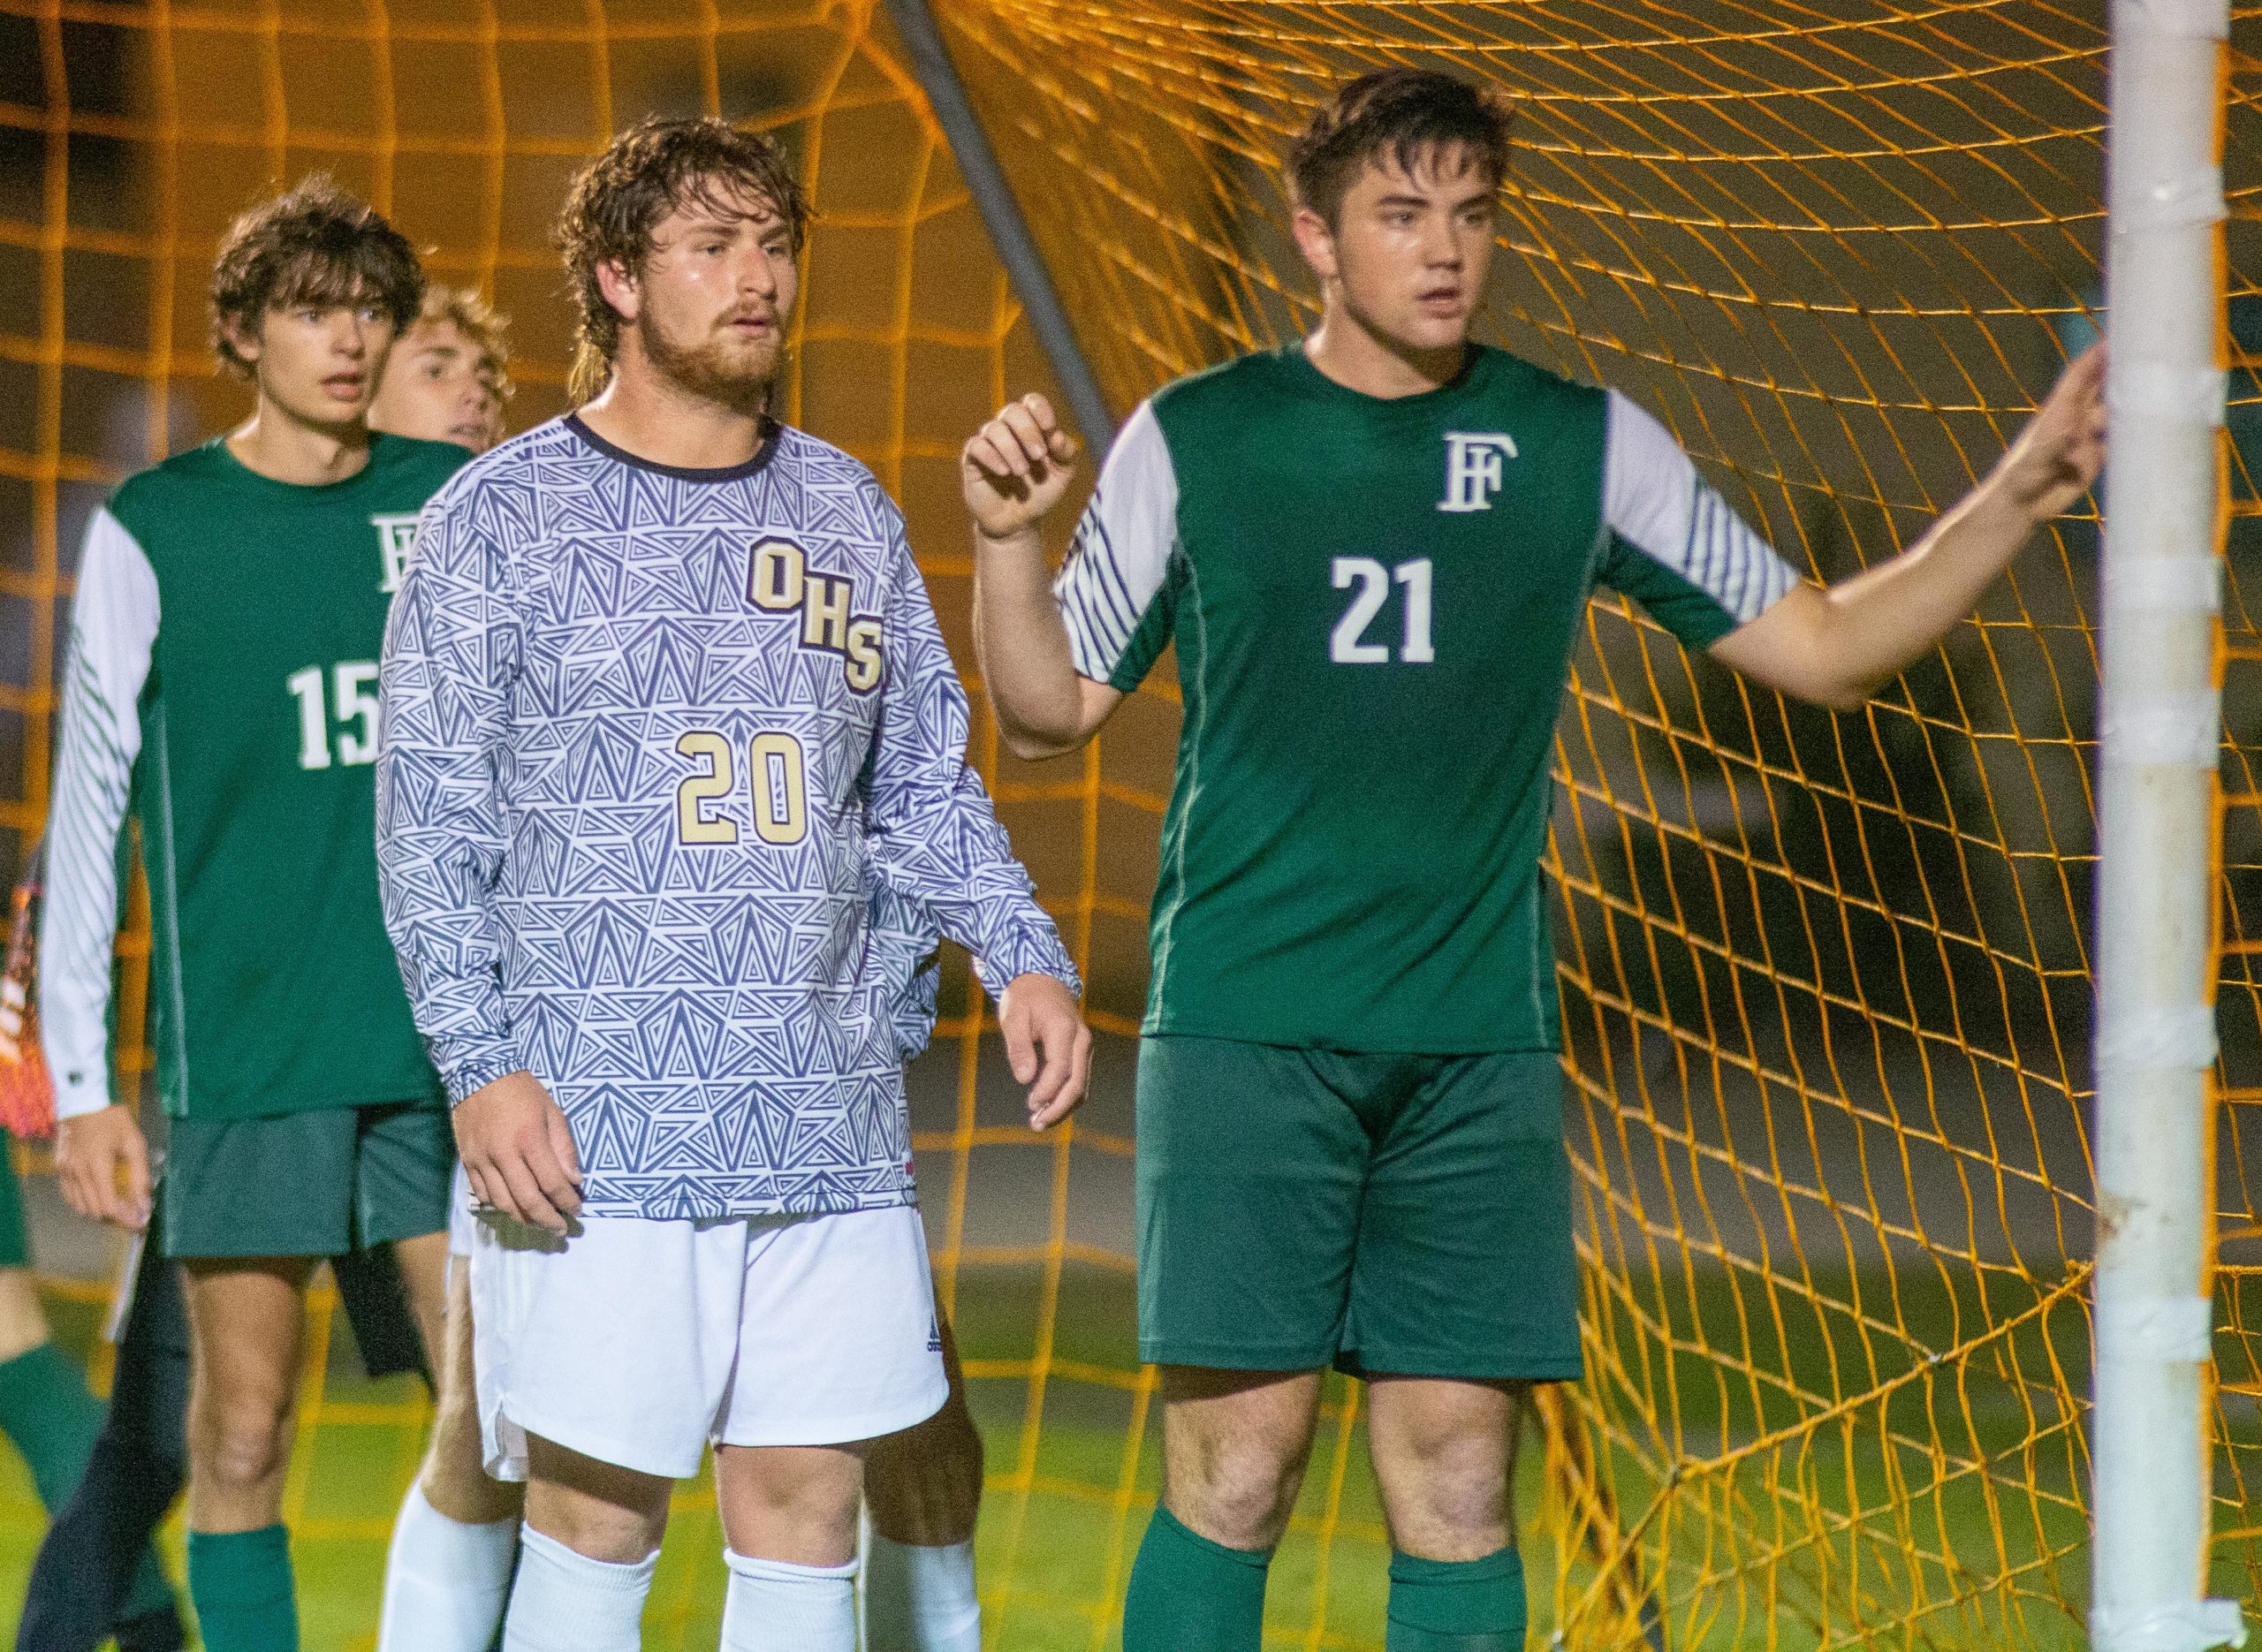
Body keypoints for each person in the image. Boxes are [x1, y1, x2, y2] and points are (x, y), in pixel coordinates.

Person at [959, 68, 2107, 1652]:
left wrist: (2022, 489)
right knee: (1237, 1470)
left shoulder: (1576, 443)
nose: (1445, 251)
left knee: (1457, 1480)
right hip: (1244, 1036)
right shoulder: (1199, 440)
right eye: (1402, 213)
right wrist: (1007, 544)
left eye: (1473, 215)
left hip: (1474, 1050)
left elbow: (1827, 645)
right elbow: (1040, 716)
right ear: (1315, 236)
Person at [375, 114, 1089, 1652]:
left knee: (805, 1507)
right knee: (596, 1519)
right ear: (620, 278)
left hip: (824, 1119)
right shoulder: (495, 518)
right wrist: (480, 1063)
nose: (758, 277)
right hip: (593, 1128)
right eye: (714, 245)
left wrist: (1021, 951)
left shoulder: (846, 507)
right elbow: (427, 826)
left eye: (773, 244)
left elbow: (915, 784)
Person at [41, 174, 472, 1652]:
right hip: (250, 1060)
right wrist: (83, 1087)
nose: (346, 340)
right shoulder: (158, 527)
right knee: (238, 1434)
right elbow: (86, 808)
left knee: (502, 1429)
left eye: (368, 309)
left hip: (437, 1058)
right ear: (243, 330)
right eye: (309, 309)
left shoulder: (447, 505)